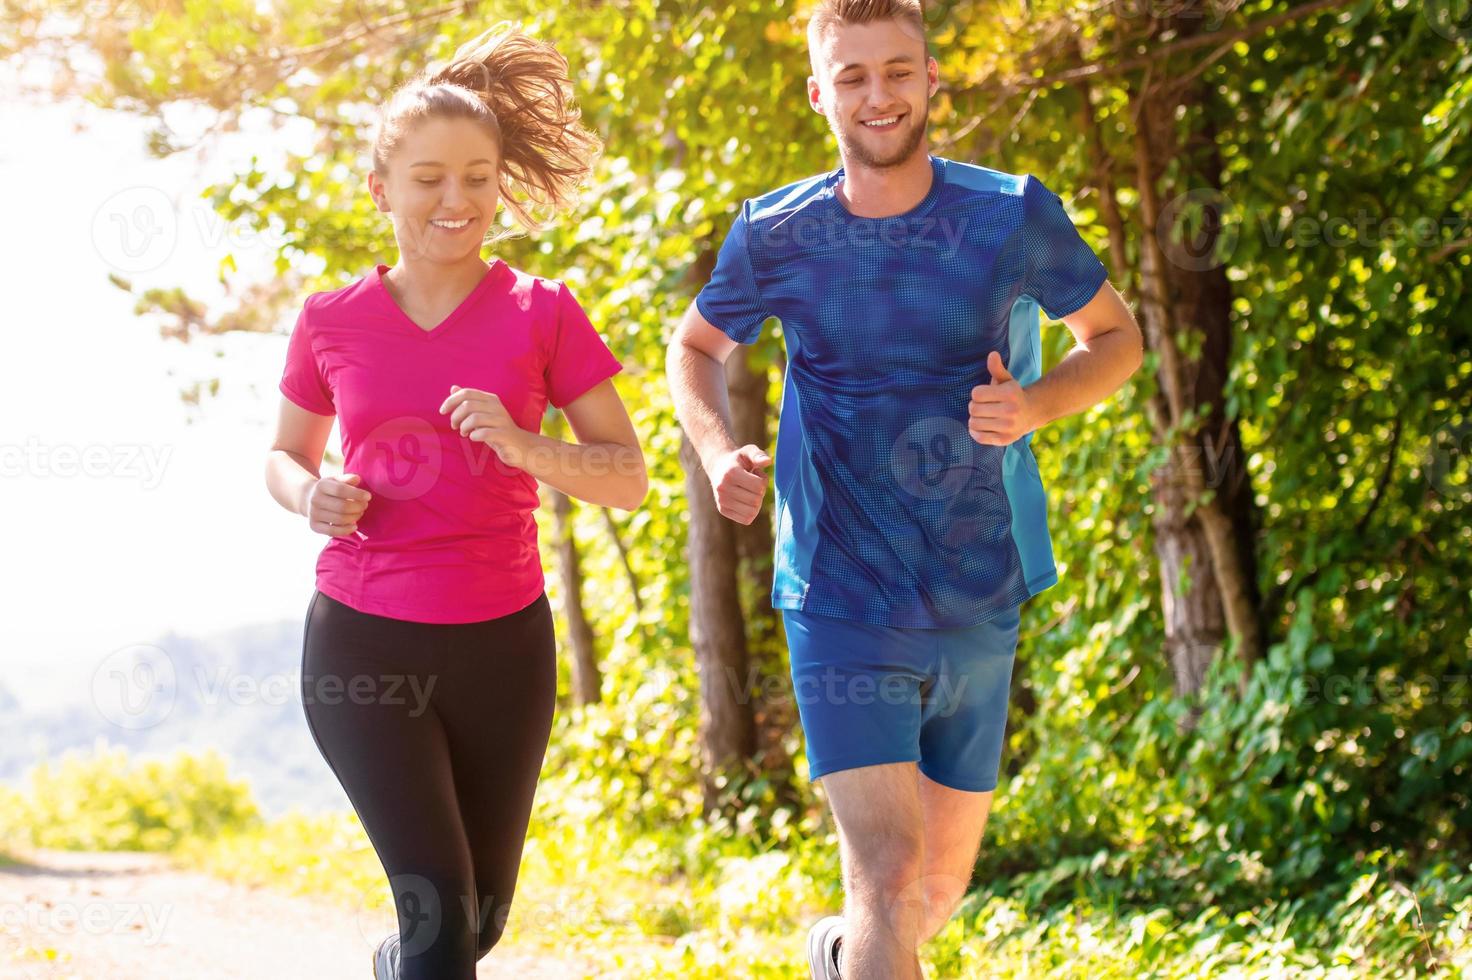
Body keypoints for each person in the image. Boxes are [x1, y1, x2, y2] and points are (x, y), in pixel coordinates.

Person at [665, 2, 1145, 977]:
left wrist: (1036, 406)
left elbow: (1116, 337)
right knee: (884, 869)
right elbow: (694, 346)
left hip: (976, 586)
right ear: (818, 93)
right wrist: (719, 453)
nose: (876, 94)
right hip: (838, 588)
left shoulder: (1008, 212)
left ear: (930, 78)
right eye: (851, 76)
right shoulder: (777, 232)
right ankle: (860, 936)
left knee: (932, 889)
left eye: (895, 70)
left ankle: (841, 955)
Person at [264, 25, 646, 980]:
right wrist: (314, 496)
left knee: (476, 921)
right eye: (430, 177)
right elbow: (281, 454)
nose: (456, 199)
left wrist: (522, 444)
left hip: (503, 645)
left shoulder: (543, 310)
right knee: (441, 925)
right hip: (362, 641)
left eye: (478, 177)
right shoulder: (330, 319)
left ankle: (401, 961)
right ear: (381, 190)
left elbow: (628, 478)